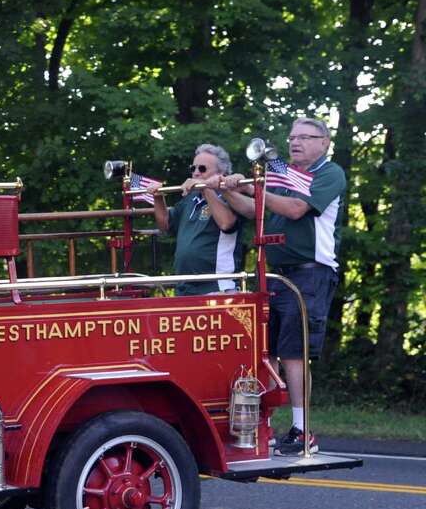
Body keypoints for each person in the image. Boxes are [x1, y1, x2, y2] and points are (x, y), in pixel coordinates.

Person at [219, 117, 346, 455]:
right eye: (292, 137)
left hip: (309, 274)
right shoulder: (285, 176)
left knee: (293, 352)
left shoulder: (328, 174)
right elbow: (251, 209)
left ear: (324, 142)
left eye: (305, 137)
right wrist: (226, 189)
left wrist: (256, 188)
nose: (296, 142)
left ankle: (303, 430)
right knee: (266, 351)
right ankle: (267, 428)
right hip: (275, 274)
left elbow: (295, 209)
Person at [148, 144, 247, 295]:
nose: (195, 173)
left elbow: (227, 223)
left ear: (221, 172)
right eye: (193, 168)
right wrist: (158, 198)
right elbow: (165, 226)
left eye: (202, 169)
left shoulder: (230, 196)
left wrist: (205, 189)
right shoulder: (191, 199)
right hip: (184, 287)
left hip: (216, 287)